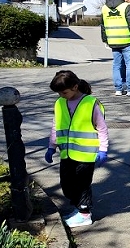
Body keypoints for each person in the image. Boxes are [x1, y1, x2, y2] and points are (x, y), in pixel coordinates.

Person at [45, 70, 109, 228]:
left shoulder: (90, 103)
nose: (61, 95)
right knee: (67, 184)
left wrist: (103, 150)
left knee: (82, 185)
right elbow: (56, 125)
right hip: (66, 153)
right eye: (58, 92)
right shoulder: (60, 103)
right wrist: (51, 146)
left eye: (64, 92)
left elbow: (102, 128)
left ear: (75, 87)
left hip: (86, 154)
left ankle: (84, 214)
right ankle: (78, 208)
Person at [100, 0, 130, 97]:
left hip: (113, 41)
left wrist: (105, 40)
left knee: (116, 65)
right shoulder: (126, 7)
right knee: (129, 65)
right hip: (127, 39)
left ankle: (118, 89)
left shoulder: (104, 8)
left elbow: (103, 26)